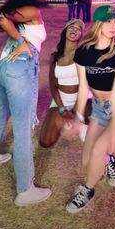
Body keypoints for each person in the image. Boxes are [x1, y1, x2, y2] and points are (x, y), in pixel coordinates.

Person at [0, 0, 52, 207]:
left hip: (0, 68)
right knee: (22, 129)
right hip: (19, 68)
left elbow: (0, 16)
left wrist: (18, 37)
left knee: (3, 112)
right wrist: (21, 39)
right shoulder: (32, 10)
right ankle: (25, 190)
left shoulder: (22, 9)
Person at [65, 5, 115, 213]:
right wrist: (79, 118)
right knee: (87, 160)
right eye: (108, 21)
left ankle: (87, 190)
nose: (113, 26)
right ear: (98, 24)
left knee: (99, 149)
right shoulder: (83, 52)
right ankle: (110, 161)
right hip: (98, 108)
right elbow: (82, 88)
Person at [39, 19, 92, 148]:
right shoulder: (54, 57)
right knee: (45, 142)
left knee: (94, 135)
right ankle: (66, 122)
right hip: (60, 101)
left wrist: (75, 109)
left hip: (82, 100)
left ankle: (77, 123)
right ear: (65, 31)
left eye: (78, 29)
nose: (74, 30)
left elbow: (86, 84)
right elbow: (53, 85)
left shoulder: (83, 53)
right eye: (71, 27)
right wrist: (62, 108)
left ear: (81, 35)